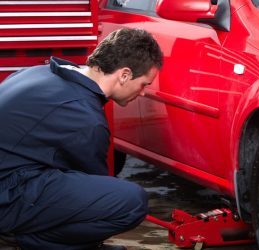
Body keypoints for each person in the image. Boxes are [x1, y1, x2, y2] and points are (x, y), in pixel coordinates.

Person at [0, 28, 163, 250]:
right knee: (130, 202)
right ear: (124, 75)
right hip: (7, 196)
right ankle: (27, 242)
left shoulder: (38, 72)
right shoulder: (86, 119)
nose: (143, 92)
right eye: (144, 83)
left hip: (11, 180)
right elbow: (93, 197)